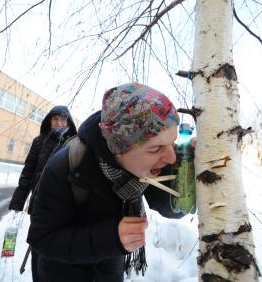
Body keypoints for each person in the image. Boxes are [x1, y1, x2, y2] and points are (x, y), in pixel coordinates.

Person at [27, 83, 185, 281]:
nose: (171, 158)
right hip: (61, 273)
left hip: (110, 271)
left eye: (172, 143)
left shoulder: (147, 163)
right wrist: (110, 238)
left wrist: (188, 172)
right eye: (156, 148)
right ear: (119, 148)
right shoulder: (67, 165)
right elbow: (42, 239)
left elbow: (171, 207)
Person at [8, 105, 77, 282]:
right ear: (49, 121)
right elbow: (28, 171)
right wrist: (18, 200)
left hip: (64, 204)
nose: (59, 123)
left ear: (68, 121)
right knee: (38, 243)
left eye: (63, 119)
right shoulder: (40, 141)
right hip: (39, 201)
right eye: (55, 119)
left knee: (59, 246)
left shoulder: (75, 142)